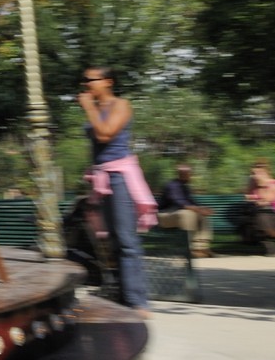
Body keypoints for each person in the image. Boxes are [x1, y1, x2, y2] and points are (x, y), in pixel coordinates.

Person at [78, 66, 155, 317]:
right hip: (102, 177)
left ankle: (138, 301)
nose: (86, 84)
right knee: (109, 240)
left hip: (120, 177)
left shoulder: (121, 104)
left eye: (91, 80)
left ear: (108, 81)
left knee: (127, 241)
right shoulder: (97, 109)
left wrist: (88, 107)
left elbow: (105, 134)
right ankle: (121, 293)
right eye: (85, 80)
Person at [157, 163, 215, 258]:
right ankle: (189, 248)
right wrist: (198, 209)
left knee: (201, 215)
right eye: (190, 174)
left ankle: (202, 248)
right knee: (187, 214)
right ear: (184, 174)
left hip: (177, 214)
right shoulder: (172, 185)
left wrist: (203, 209)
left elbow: (192, 203)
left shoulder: (185, 187)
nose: (191, 176)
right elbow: (179, 203)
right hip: (164, 215)